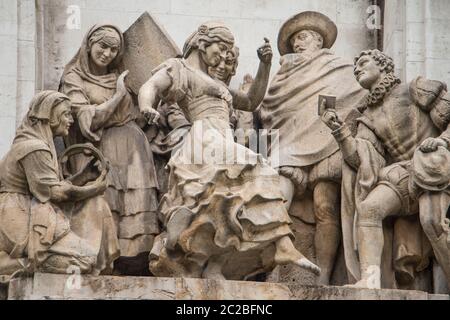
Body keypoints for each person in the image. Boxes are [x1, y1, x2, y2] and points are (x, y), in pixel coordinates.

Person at [139, 21, 320, 280]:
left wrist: (264, 65)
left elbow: (251, 100)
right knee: (260, 172)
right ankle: (282, 244)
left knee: (226, 203)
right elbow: (151, 86)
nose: (224, 55)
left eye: (228, 50)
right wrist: (147, 106)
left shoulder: (215, 81)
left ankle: (212, 264)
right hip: (205, 138)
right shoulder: (180, 69)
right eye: (221, 47)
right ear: (202, 43)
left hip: (224, 138)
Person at [321, 49, 450, 289]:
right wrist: (339, 131)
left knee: (433, 222)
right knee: (369, 209)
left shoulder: (415, 89)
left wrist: (443, 141)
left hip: (435, 167)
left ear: (383, 65)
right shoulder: (367, 116)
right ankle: (370, 280)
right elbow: (361, 159)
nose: (357, 69)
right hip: (404, 172)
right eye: (354, 67)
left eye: (363, 62)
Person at [260, 11, 366, 284]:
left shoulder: (340, 69)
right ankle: (274, 259)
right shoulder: (283, 75)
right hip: (289, 142)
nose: (298, 43)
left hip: (327, 141)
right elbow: (270, 109)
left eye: (303, 37)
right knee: (277, 196)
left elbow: (359, 98)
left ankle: (325, 275)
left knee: (324, 207)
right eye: (294, 40)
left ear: (319, 41)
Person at [59, 24, 160, 275]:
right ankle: (105, 262)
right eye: (102, 46)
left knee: (135, 205)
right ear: (89, 43)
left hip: (134, 147)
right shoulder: (73, 77)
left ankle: (136, 262)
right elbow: (88, 121)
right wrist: (117, 94)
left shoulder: (122, 76)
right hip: (100, 149)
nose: (107, 53)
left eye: (114, 49)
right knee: (107, 203)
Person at [0, 91, 119, 278]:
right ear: (50, 116)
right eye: (66, 114)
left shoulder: (38, 144)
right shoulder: (34, 148)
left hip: (32, 211)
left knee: (96, 207)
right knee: (84, 260)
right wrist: (95, 188)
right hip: (19, 216)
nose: (71, 120)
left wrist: (84, 176)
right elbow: (56, 194)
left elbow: (50, 186)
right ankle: (11, 264)